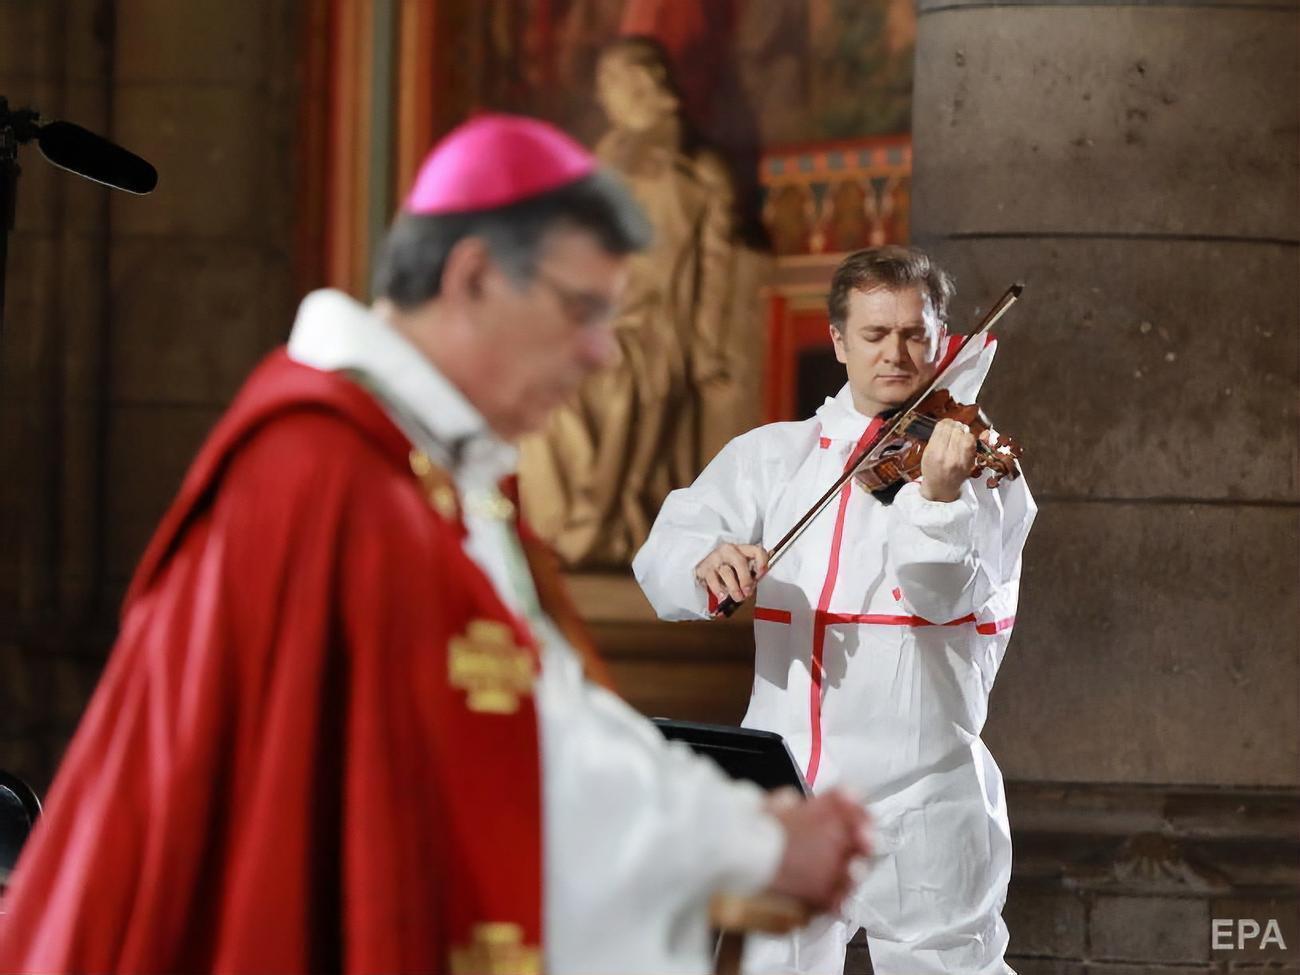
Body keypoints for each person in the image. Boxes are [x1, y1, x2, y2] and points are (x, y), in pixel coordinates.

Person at [0, 115, 872, 974]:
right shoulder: (326, 473)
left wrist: (737, 839)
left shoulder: (433, 476)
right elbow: (516, 763)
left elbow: (537, 717)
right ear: (474, 276)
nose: (604, 354)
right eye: (583, 309)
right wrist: (746, 846)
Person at [634, 246, 1036, 974]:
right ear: (839, 340)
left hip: (923, 789)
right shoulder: (773, 457)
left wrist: (939, 499)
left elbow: (946, 594)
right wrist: (705, 564)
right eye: (876, 335)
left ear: (943, 340)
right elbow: (665, 554)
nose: (897, 354)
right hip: (787, 783)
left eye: (916, 334)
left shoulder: (977, 468)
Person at [518, 36, 737, 567]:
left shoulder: (698, 173)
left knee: (619, 392)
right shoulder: (600, 164)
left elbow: (713, 269)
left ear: (644, 84)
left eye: (612, 81)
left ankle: (593, 534)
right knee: (543, 392)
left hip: (655, 326)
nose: (603, 93)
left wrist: (706, 347)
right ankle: (554, 531)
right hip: (595, 317)